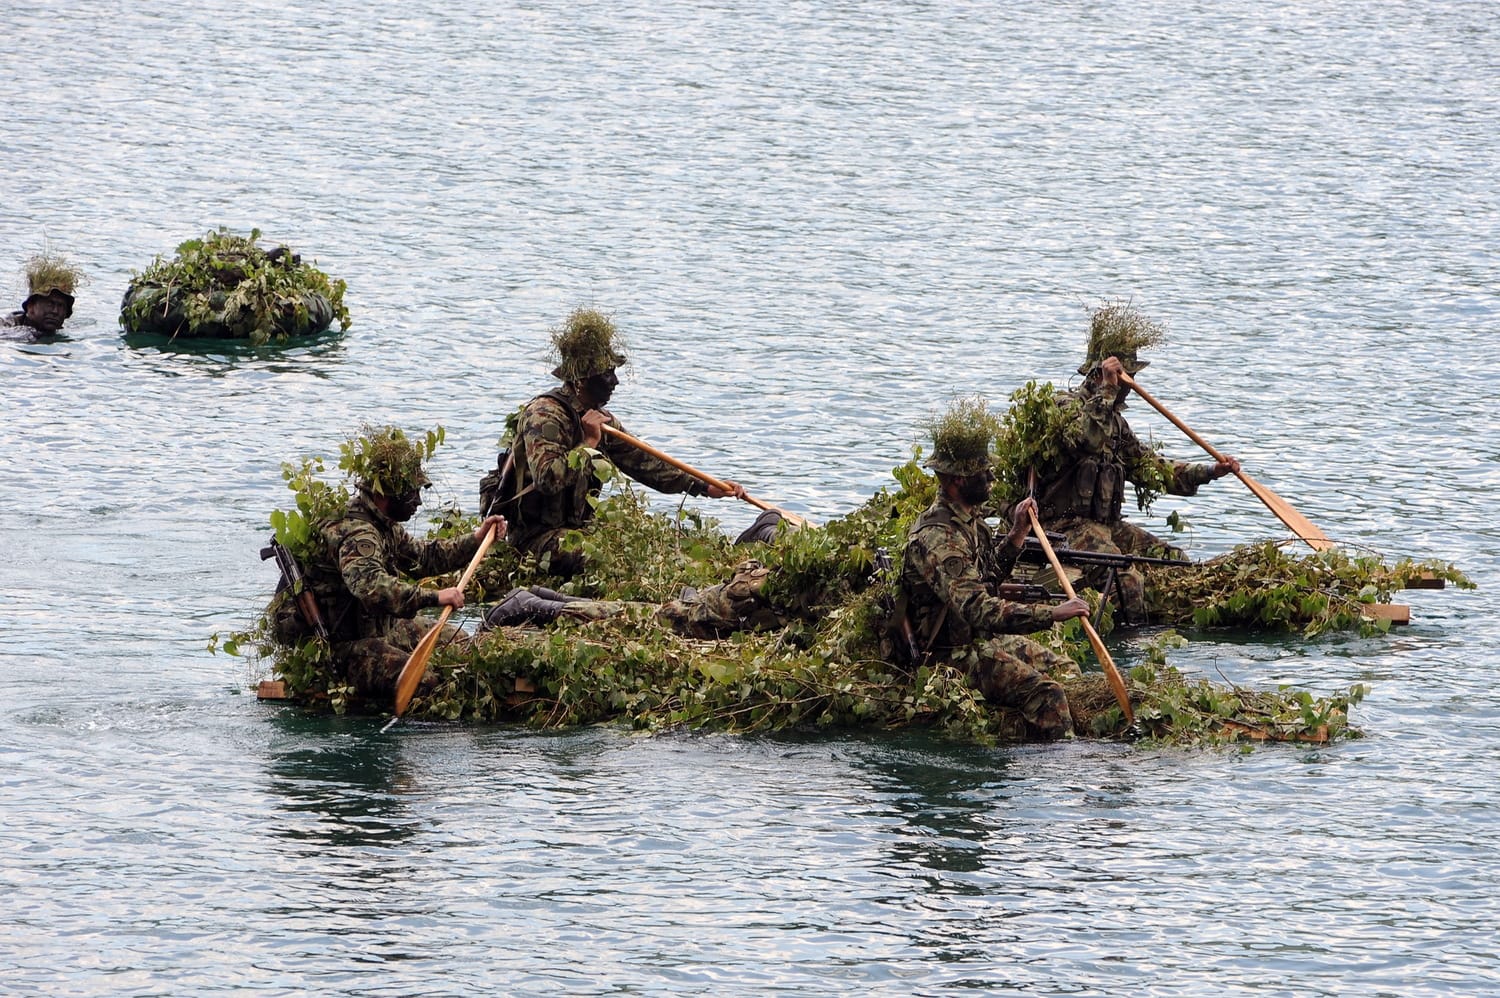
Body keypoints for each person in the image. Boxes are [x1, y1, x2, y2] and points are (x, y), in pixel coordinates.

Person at [485, 307, 746, 577]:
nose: (615, 382)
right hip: (535, 539)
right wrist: (587, 443)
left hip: (576, 531)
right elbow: (548, 479)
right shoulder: (544, 416)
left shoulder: (600, 418)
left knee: (644, 549)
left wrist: (704, 486)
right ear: (581, 381)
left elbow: (647, 463)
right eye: (607, 374)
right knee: (599, 556)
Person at [1031, 305, 1239, 622]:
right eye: (1127, 377)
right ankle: (1131, 649)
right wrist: (1108, 389)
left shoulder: (1116, 424)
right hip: (1062, 527)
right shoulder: (1063, 407)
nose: (1131, 384)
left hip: (1105, 525)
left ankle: (1165, 622)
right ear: (1102, 374)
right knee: (1125, 578)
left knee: (1173, 559)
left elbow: (1151, 468)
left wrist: (1211, 471)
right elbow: (1088, 438)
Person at [901, 397, 1092, 741]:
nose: (991, 477)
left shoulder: (970, 523)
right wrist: (1052, 613)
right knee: (1049, 694)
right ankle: (1059, 771)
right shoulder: (939, 539)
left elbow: (986, 581)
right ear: (956, 480)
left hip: (979, 641)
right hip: (950, 656)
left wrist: (1018, 533)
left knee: (1068, 669)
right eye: (982, 473)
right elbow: (980, 609)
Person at [270, 426, 506, 703]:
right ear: (385, 495)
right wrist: (435, 596)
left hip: (377, 628)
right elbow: (372, 588)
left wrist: (476, 538)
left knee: (460, 643)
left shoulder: (382, 524)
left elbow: (423, 557)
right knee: (427, 683)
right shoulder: (360, 534)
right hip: (341, 647)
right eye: (410, 494)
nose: (417, 502)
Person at [2, 253, 79, 339]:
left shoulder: (72, 331)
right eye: (50, 304)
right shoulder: (8, 328)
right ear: (31, 307)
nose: (55, 311)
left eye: (61, 306)